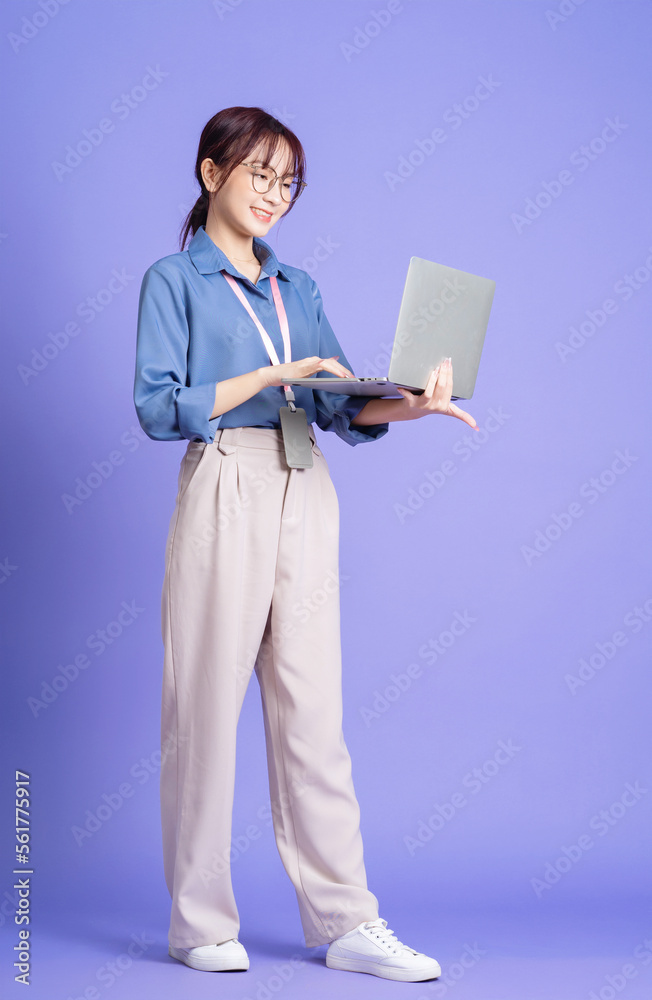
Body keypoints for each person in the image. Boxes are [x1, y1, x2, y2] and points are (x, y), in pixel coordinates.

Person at [133, 106, 478, 983]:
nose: (274, 196)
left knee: (313, 716)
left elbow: (338, 403)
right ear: (211, 174)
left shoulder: (300, 289)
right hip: (227, 479)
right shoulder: (175, 280)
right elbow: (156, 404)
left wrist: (416, 405)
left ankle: (347, 919)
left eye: (288, 183)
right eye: (259, 175)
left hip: (306, 484)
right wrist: (268, 375)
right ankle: (199, 921)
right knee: (204, 710)